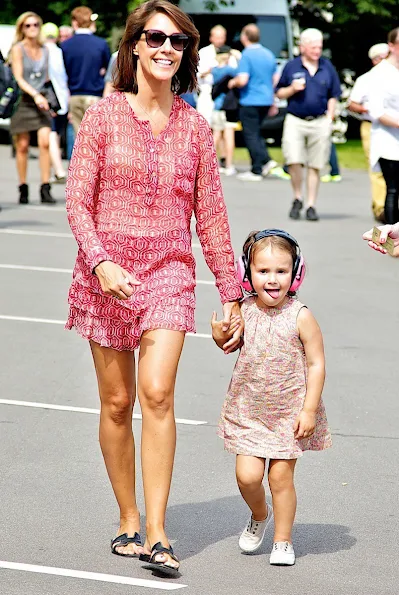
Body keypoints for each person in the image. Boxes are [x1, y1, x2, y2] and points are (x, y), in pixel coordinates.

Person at [65, 0, 243, 576]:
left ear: (186, 53)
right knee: (117, 403)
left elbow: (211, 217)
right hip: (105, 277)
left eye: (178, 42)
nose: (168, 48)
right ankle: (127, 517)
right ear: (135, 46)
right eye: (157, 38)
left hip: (168, 272)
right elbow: (77, 201)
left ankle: (159, 532)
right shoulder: (102, 117)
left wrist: (232, 292)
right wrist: (100, 263)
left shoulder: (195, 127)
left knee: (157, 392)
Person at [212, 229, 331, 565]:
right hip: (249, 410)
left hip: (289, 413)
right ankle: (260, 514)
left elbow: (316, 363)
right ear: (247, 273)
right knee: (248, 477)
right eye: (263, 271)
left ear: (296, 273)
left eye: (281, 271)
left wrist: (309, 410)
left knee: (280, 477)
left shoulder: (301, 315)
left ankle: (282, 540)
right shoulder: (243, 310)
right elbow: (227, 344)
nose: (273, 279)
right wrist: (218, 333)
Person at [275, 28, 341, 221]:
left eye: (319, 47)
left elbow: (334, 94)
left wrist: (330, 116)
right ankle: (297, 197)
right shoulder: (292, 66)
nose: (317, 50)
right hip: (295, 120)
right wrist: (291, 89)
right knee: (294, 159)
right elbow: (279, 93)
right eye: (313, 47)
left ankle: (311, 204)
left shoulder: (327, 67)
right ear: (302, 47)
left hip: (319, 121)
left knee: (315, 164)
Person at [9, 12, 56, 205]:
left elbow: (46, 78)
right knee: (22, 146)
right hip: (23, 101)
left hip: (42, 100)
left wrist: (52, 98)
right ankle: (23, 186)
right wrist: (34, 95)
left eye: (36, 24)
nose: (32, 28)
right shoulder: (18, 49)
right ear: (22, 28)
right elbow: (19, 78)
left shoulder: (46, 49)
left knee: (45, 142)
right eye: (28, 25)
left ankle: (45, 187)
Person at [228, 24, 278, 182]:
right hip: (266, 99)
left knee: (250, 135)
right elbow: (275, 78)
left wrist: (233, 83)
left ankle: (260, 165)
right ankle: (262, 164)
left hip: (250, 99)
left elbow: (243, 80)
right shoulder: (268, 54)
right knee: (256, 133)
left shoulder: (247, 55)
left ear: (244, 36)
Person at [348, 43, 389, 221]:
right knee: (377, 166)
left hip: (393, 126)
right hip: (371, 125)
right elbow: (352, 104)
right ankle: (381, 207)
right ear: (375, 60)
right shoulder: (366, 79)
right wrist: (367, 108)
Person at [367, 28, 399, 224]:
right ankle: (392, 240)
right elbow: (376, 111)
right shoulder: (380, 73)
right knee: (393, 189)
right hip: (388, 141)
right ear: (392, 46)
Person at [62, 6, 110, 134]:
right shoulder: (101, 44)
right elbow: (108, 69)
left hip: (74, 95)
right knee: (95, 137)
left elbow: (63, 73)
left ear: (74, 22)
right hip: (95, 95)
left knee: (79, 137)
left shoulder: (65, 45)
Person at [42, 22, 69, 183]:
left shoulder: (42, 52)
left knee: (51, 133)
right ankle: (57, 168)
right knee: (57, 133)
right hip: (62, 98)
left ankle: (58, 170)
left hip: (50, 99)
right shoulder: (60, 52)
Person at [211, 46, 238, 176]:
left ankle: (212, 163)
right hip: (227, 107)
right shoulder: (229, 70)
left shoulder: (215, 70)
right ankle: (228, 165)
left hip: (216, 106)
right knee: (229, 135)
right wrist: (237, 56)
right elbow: (241, 73)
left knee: (216, 135)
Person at [196, 24, 229, 125]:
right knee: (204, 124)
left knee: (222, 126)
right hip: (207, 91)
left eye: (222, 37)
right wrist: (214, 69)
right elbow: (199, 74)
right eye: (217, 37)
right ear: (211, 38)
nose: (220, 40)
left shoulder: (229, 52)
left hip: (223, 93)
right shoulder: (204, 52)